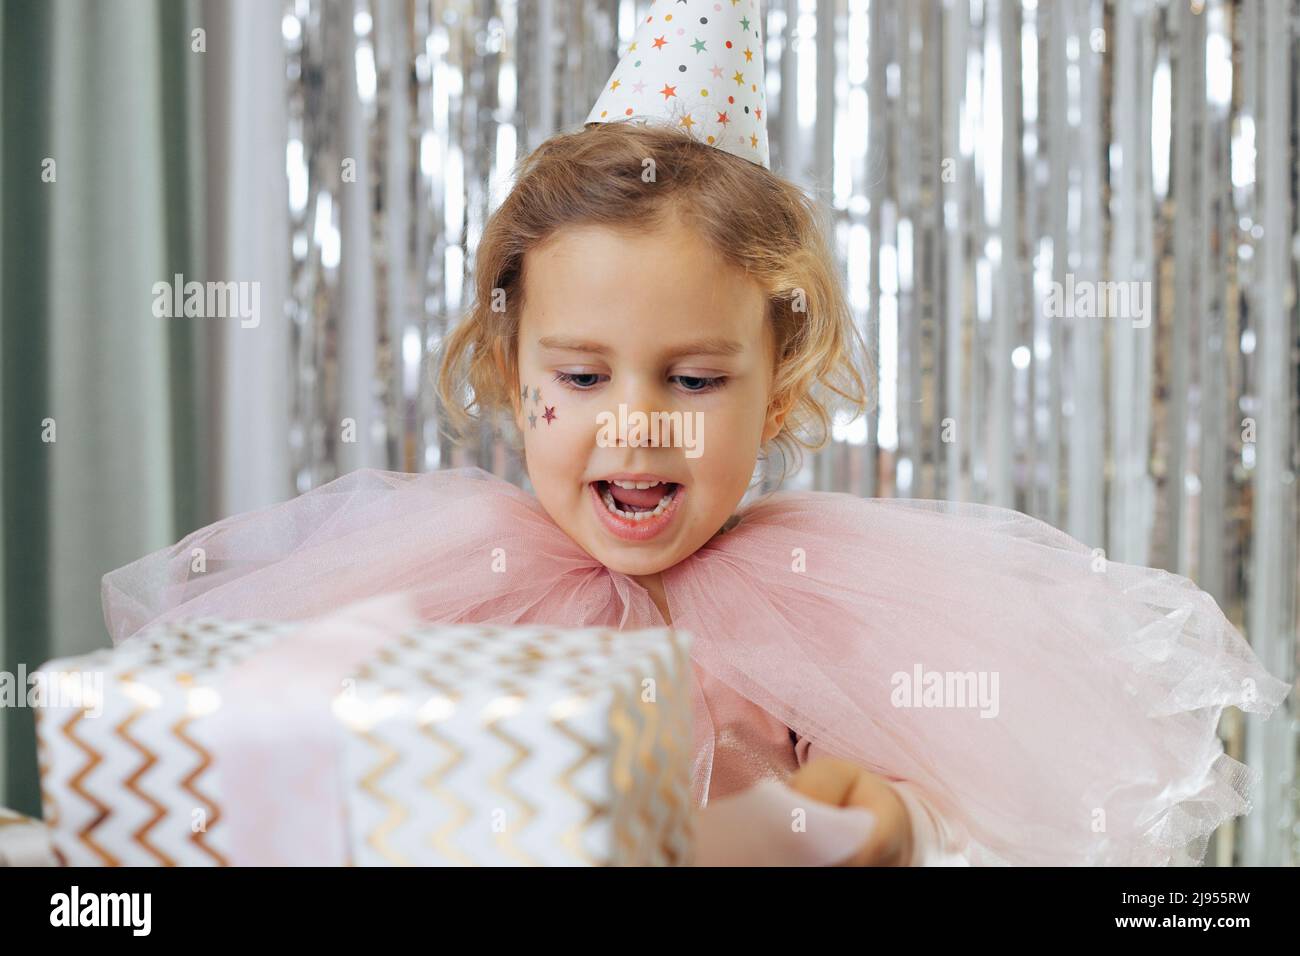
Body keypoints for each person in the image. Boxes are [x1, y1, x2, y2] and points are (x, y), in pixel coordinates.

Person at [101, 0, 1289, 866]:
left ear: (774, 394)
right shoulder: (447, 586)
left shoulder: (831, 600)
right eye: (581, 372)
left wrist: (840, 830)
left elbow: (907, 805)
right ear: (519, 384)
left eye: (694, 377)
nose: (637, 421)